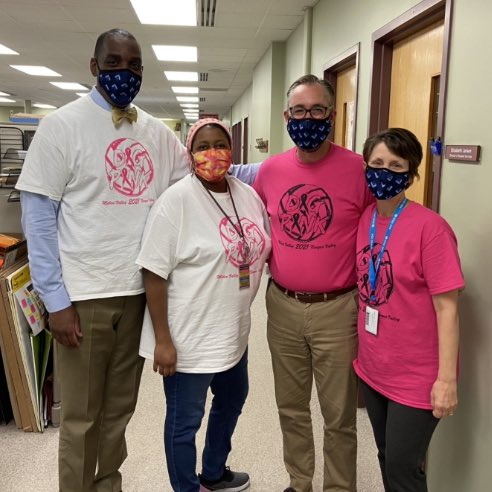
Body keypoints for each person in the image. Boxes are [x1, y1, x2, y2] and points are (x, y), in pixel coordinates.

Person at [15, 29, 258, 492]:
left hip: (137, 296)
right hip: (83, 297)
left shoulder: (155, 132)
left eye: (133, 63)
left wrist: (285, 171)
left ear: (143, 70)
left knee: (118, 412)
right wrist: (55, 299)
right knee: (83, 417)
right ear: (94, 66)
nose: (123, 71)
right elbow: (39, 219)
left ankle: (109, 485)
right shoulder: (60, 126)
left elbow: (204, 167)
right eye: (113, 62)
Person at [253, 74, 373, 492]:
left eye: (318, 110)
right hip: (282, 304)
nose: (308, 119)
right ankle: (299, 482)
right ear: (287, 116)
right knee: (291, 406)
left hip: (338, 307)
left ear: (332, 116)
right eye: (300, 111)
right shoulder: (269, 172)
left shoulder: (359, 170)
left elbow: (380, 231)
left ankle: (339, 487)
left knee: (339, 413)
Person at [136, 117, 270, 492]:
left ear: (232, 150)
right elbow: (153, 273)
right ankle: (186, 487)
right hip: (189, 337)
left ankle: (213, 470)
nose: (213, 154)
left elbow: (260, 246)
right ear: (190, 153)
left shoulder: (246, 194)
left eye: (220, 144)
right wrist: (163, 340)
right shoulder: (175, 201)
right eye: (202, 146)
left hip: (233, 331)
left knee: (232, 400)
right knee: (185, 421)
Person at [354, 128, 465, 492]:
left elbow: (447, 309)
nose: (384, 172)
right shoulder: (365, 218)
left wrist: (446, 381)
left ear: (412, 174)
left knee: (404, 470)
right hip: (374, 368)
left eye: (396, 166)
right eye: (377, 163)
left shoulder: (431, 230)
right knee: (387, 455)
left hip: (417, 376)